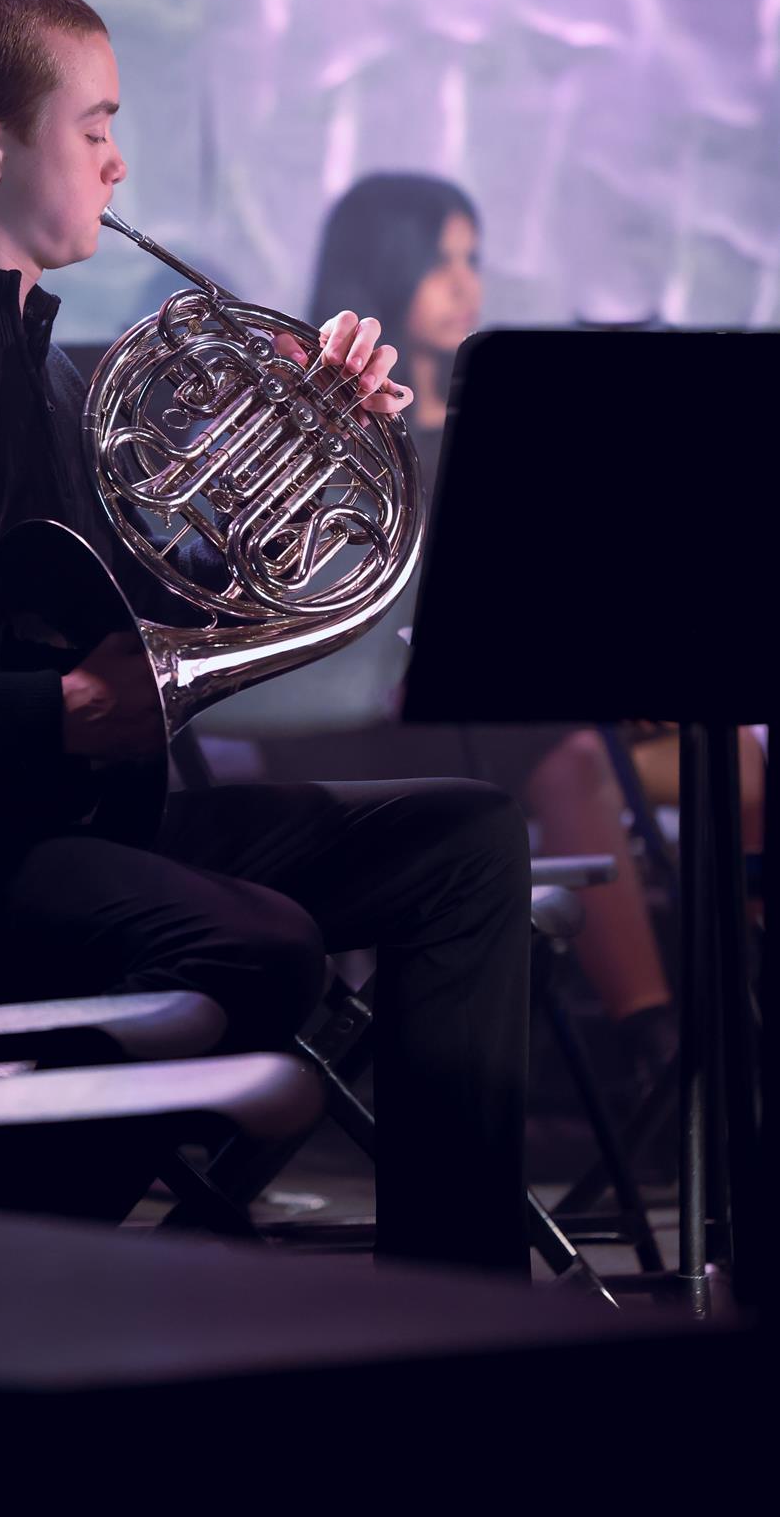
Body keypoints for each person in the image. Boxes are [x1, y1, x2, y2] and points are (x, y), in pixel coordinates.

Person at [0, 0, 533, 1271]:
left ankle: (458, 1294)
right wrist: (51, 713)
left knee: (465, 839)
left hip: (57, 829)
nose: (118, 163)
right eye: (92, 128)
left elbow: (124, 603)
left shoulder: (44, 365)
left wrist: (315, 434)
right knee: (256, 947)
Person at [309, 174, 677, 1100]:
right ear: (383, 267)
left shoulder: (494, 427)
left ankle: (703, 1035)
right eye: (442, 263)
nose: (467, 285)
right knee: (572, 757)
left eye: (472, 260)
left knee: (736, 771)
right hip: (375, 719)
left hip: (508, 705)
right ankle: (659, 1048)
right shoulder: (336, 430)